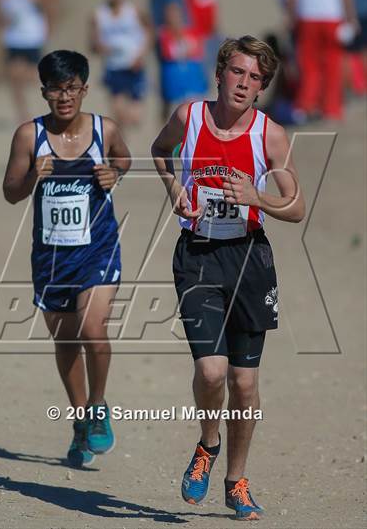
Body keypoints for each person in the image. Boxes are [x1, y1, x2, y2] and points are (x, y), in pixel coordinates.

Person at [151, 36, 305, 520]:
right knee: (212, 371)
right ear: (219, 73)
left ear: (262, 88)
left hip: (249, 258)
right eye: (237, 72)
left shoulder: (271, 135)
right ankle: (207, 445)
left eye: (255, 78)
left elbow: (296, 206)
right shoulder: (188, 117)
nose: (244, 83)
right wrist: (176, 186)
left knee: (243, 382)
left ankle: (236, 480)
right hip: (198, 254)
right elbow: (160, 150)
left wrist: (257, 199)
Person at [3, 50, 131, 467]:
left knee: (93, 330)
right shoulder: (29, 136)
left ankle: (97, 408)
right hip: (52, 259)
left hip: (98, 249)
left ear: (84, 89)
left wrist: (115, 172)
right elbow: (10, 192)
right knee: (66, 342)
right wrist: (30, 177)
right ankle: (80, 420)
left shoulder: (103, 129)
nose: (64, 96)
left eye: (72, 87)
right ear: (44, 92)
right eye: (56, 88)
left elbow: (123, 158)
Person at [285, 0, 358, 120]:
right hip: (332, 15)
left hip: (306, 14)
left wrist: (290, 14)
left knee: (308, 64)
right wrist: (351, 15)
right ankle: (331, 109)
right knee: (332, 64)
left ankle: (306, 106)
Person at [0, 0, 48, 123]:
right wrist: (0, 19)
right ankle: (23, 115)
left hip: (32, 38)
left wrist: (37, 1)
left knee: (34, 76)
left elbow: (46, 7)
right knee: (13, 78)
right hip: (12, 40)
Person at [90, 0, 150, 130]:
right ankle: (122, 146)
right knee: (117, 112)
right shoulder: (99, 14)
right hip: (113, 67)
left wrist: (141, 55)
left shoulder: (134, 10)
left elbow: (149, 33)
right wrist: (101, 48)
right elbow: (93, 43)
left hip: (134, 66)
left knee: (135, 117)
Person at [157, 3, 207, 117]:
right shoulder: (163, 35)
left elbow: (198, 51)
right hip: (174, 88)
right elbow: (168, 53)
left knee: (196, 117)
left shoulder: (192, 33)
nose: (173, 19)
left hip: (194, 85)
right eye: (170, 16)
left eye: (175, 15)